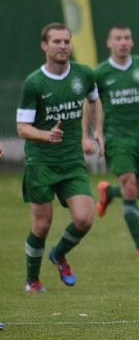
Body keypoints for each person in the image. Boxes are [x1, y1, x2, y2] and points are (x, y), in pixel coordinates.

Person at [16, 23, 100, 292]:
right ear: (44, 46)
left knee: (85, 219)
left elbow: (94, 101)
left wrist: (94, 132)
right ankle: (33, 280)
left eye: (66, 41)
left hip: (72, 161)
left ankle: (59, 254)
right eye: (56, 42)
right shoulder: (34, 83)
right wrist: (45, 135)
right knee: (42, 225)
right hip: (40, 162)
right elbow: (22, 128)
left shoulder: (84, 74)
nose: (63, 46)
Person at [90, 25, 139, 258]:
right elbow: (91, 102)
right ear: (109, 43)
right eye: (118, 38)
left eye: (127, 38)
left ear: (132, 42)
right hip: (117, 138)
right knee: (130, 184)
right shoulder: (101, 73)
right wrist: (94, 132)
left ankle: (109, 192)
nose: (123, 42)